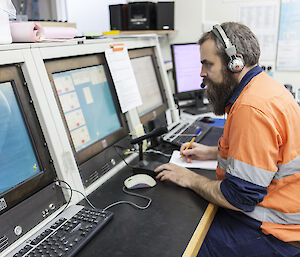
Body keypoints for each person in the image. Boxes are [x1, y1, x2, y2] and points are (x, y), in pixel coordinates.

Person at [155, 22, 300, 257]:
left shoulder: (251, 108)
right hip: (285, 217)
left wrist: (189, 178)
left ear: (236, 63)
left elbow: (239, 197)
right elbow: (271, 153)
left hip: (275, 232)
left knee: (176, 244)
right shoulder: (264, 87)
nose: (202, 73)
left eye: (207, 64)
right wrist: (212, 152)